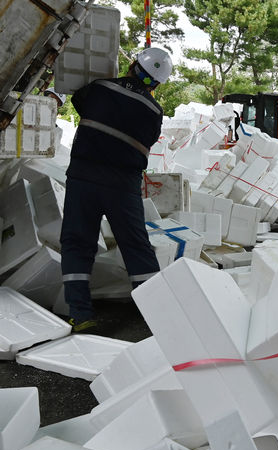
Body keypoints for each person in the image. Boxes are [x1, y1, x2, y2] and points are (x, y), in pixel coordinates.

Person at [60, 47, 173, 332]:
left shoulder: (100, 88)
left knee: (77, 243)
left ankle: (81, 313)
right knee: (136, 247)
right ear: (157, 84)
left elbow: (79, 101)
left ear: (133, 65)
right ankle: (158, 316)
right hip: (122, 186)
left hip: (83, 178)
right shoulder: (153, 111)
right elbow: (148, 139)